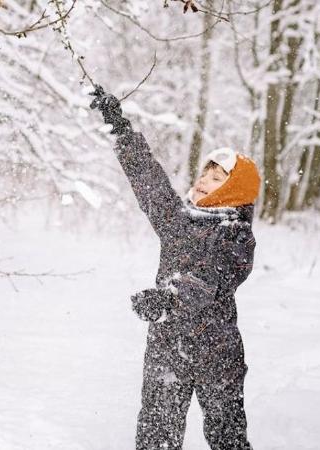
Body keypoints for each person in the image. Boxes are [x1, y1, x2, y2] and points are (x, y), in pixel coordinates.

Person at [89, 85, 260, 450]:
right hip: (167, 346)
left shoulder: (237, 237)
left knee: (226, 438)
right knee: (156, 436)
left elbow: (212, 280)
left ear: (237, 191)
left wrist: (170, 298)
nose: (202, 181)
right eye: (204, 174)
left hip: (218, 353)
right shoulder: (180, 222)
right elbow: (151, 185)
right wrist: (121, 131)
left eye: (216, 179)